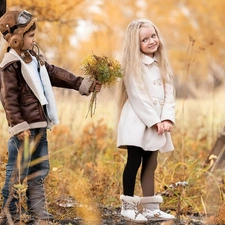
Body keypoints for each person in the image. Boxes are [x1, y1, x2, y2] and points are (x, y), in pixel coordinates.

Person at [0, 9, 101, 224]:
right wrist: (18, 125)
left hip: (40, 125)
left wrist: (81, 83)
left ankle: (38, 211)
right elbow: (9, 98)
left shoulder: (34, 59)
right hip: (25, 129)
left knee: (40, 168)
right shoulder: (10, 64)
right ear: (15, 38)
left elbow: (55, 74)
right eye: (30, 35)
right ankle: (10, 212)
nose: (34, 39)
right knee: (17, 170)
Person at [117, 19, 176, 222]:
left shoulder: (163, 65)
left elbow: (170, 93)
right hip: (138, 122)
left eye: (153, 36)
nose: (151, 41)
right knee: (134, 161)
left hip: (158, 124)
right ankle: (128, 205)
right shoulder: (134, 66)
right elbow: (137, 95)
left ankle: (150, 206)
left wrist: (166, 118)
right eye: (145, 39)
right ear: (136, 44)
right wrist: (154, 120)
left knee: (151, 163)